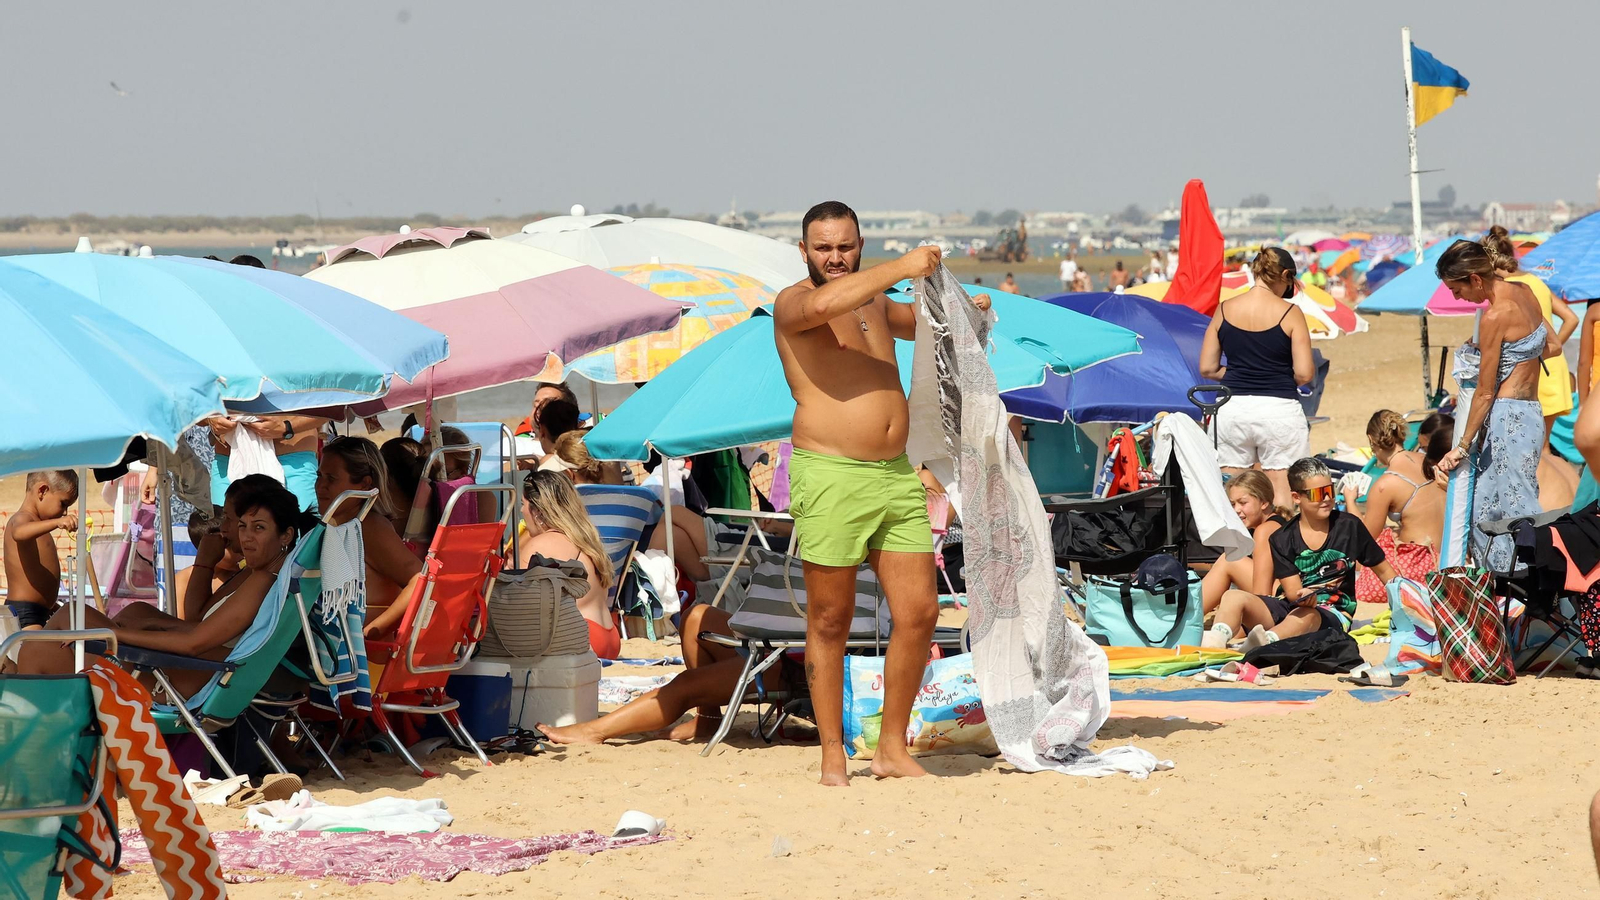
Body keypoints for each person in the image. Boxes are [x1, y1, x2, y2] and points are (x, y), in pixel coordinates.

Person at [771, 200, 989, 785]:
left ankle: (891, 749)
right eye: (823, 248)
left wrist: (964, 312)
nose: (835, 257)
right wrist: (904, 263)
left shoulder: (870, 297)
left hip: (895, 472)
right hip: (832, 472)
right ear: (804, 251)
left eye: (845, 246)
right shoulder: (794, 302)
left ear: (859, 244)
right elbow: (822, 304)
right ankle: (832, 756)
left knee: (919, 613)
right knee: (830, 618)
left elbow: (916, 325)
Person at [16, 478, 303, 700]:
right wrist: (144, 626)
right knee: (62, 634)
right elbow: (200, 624)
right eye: (243, 525)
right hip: (198, 671)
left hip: (187, 679)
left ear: (286, 535)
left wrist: (111, 634)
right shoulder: (262, 574)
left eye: (259, 528)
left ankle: (32, 733)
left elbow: (194, 641)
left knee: (53, 637)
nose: (245, 536)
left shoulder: (263, 581)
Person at [1432, 238, 1554, 573]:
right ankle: (1520, 588)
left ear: (1474, 278)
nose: (1459, 299)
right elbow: (1551, 345)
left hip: (1507, 416)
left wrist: (1461, 446)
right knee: (1498, 507)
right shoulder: (1525, 292)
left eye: (1457, 290)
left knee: (1511, 514)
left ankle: (1529, 586)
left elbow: (1485, 393)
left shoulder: (1493, 317)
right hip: (1532, 413)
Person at [1206, 458, 1396, 649]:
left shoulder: (1349, 527)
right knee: (1233, 597)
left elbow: (1385, 573)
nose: (1327, 498)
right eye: (1318, 494)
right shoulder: (1282, 538)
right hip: (1292, 606)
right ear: (1297, 497)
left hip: (1331, 612)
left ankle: (1263, 643)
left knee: (1306, 615)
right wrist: (1302, 596)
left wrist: (1408, 604)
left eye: (1330, 490)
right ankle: (1213, 644)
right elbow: (1292, 592)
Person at [540, 603, 775, 744]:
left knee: (686, 685)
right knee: (696, 617)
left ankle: (593, 731)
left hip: (790, 657)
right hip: (775, 638)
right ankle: (708, 718)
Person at [1200, 247, 1316, 508]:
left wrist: (1240, 374)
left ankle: (1237, 547)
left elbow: (1207, 368)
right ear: (1285, 275)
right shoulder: (1290, 313)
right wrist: (1275, 375)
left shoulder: (1225, 309)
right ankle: (1282, 545)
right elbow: (1304, 373)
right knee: (1283, 483)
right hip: (1279, 411)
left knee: (1234, 487)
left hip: (1231, 409)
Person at [312, 437, 425, 639]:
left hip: (367, 656)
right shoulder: (341, 525)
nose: (320, 485)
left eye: (331, 478)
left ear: (364, 484)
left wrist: (372, 632)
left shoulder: (368, 527)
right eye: (318, 475)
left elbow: (421, 580)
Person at [1484, 225, 1576, 439]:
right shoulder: (1535, 281)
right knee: (1541, 448)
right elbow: (1571, 318)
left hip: (1531, 373)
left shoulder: (1506, 288)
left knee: (1532, 449)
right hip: (1552, 368)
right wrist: (1552, 349)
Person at [1344, 411, 1448, 599]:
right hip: (1444, 554)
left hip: (1417, 565)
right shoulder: (1426, 460)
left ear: (1371, 439)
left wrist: (1350, 500)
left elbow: (1364, 538)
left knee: (1355, 555)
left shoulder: (1385, 484)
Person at [518, 470, 619, 660]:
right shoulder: (585, 539)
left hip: (584, 639)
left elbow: (520, 604)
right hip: (609, 636)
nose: (521, 512)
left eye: (522, 504)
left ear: (537, 511)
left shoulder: (541, 544)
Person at [1200, 470, 1286, 615]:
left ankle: (1186, 618)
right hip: (1281, 596)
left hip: (1279, 600)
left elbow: (1261, 594)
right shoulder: (1273, 524)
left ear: (1264, 502)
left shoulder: (1265, 531)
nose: (1236, 510)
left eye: (1243, 503)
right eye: (1233, 504)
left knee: (1229, 561)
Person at [206, 413, 329, 513]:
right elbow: (193, 399)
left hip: (293, 462)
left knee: (300, 539)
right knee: (225, 537)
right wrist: (210, 418)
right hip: (229, 462)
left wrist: (287, 426)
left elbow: (332, 404)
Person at [3, 470, 79, 630]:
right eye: (63, 503)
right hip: (25, 614)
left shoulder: (37, 526)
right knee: (48, 654)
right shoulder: (23, 518)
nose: (64, 512)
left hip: (41, 612)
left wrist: (51, 605)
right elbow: (18, 532)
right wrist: (58, 522)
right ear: (42, 491)